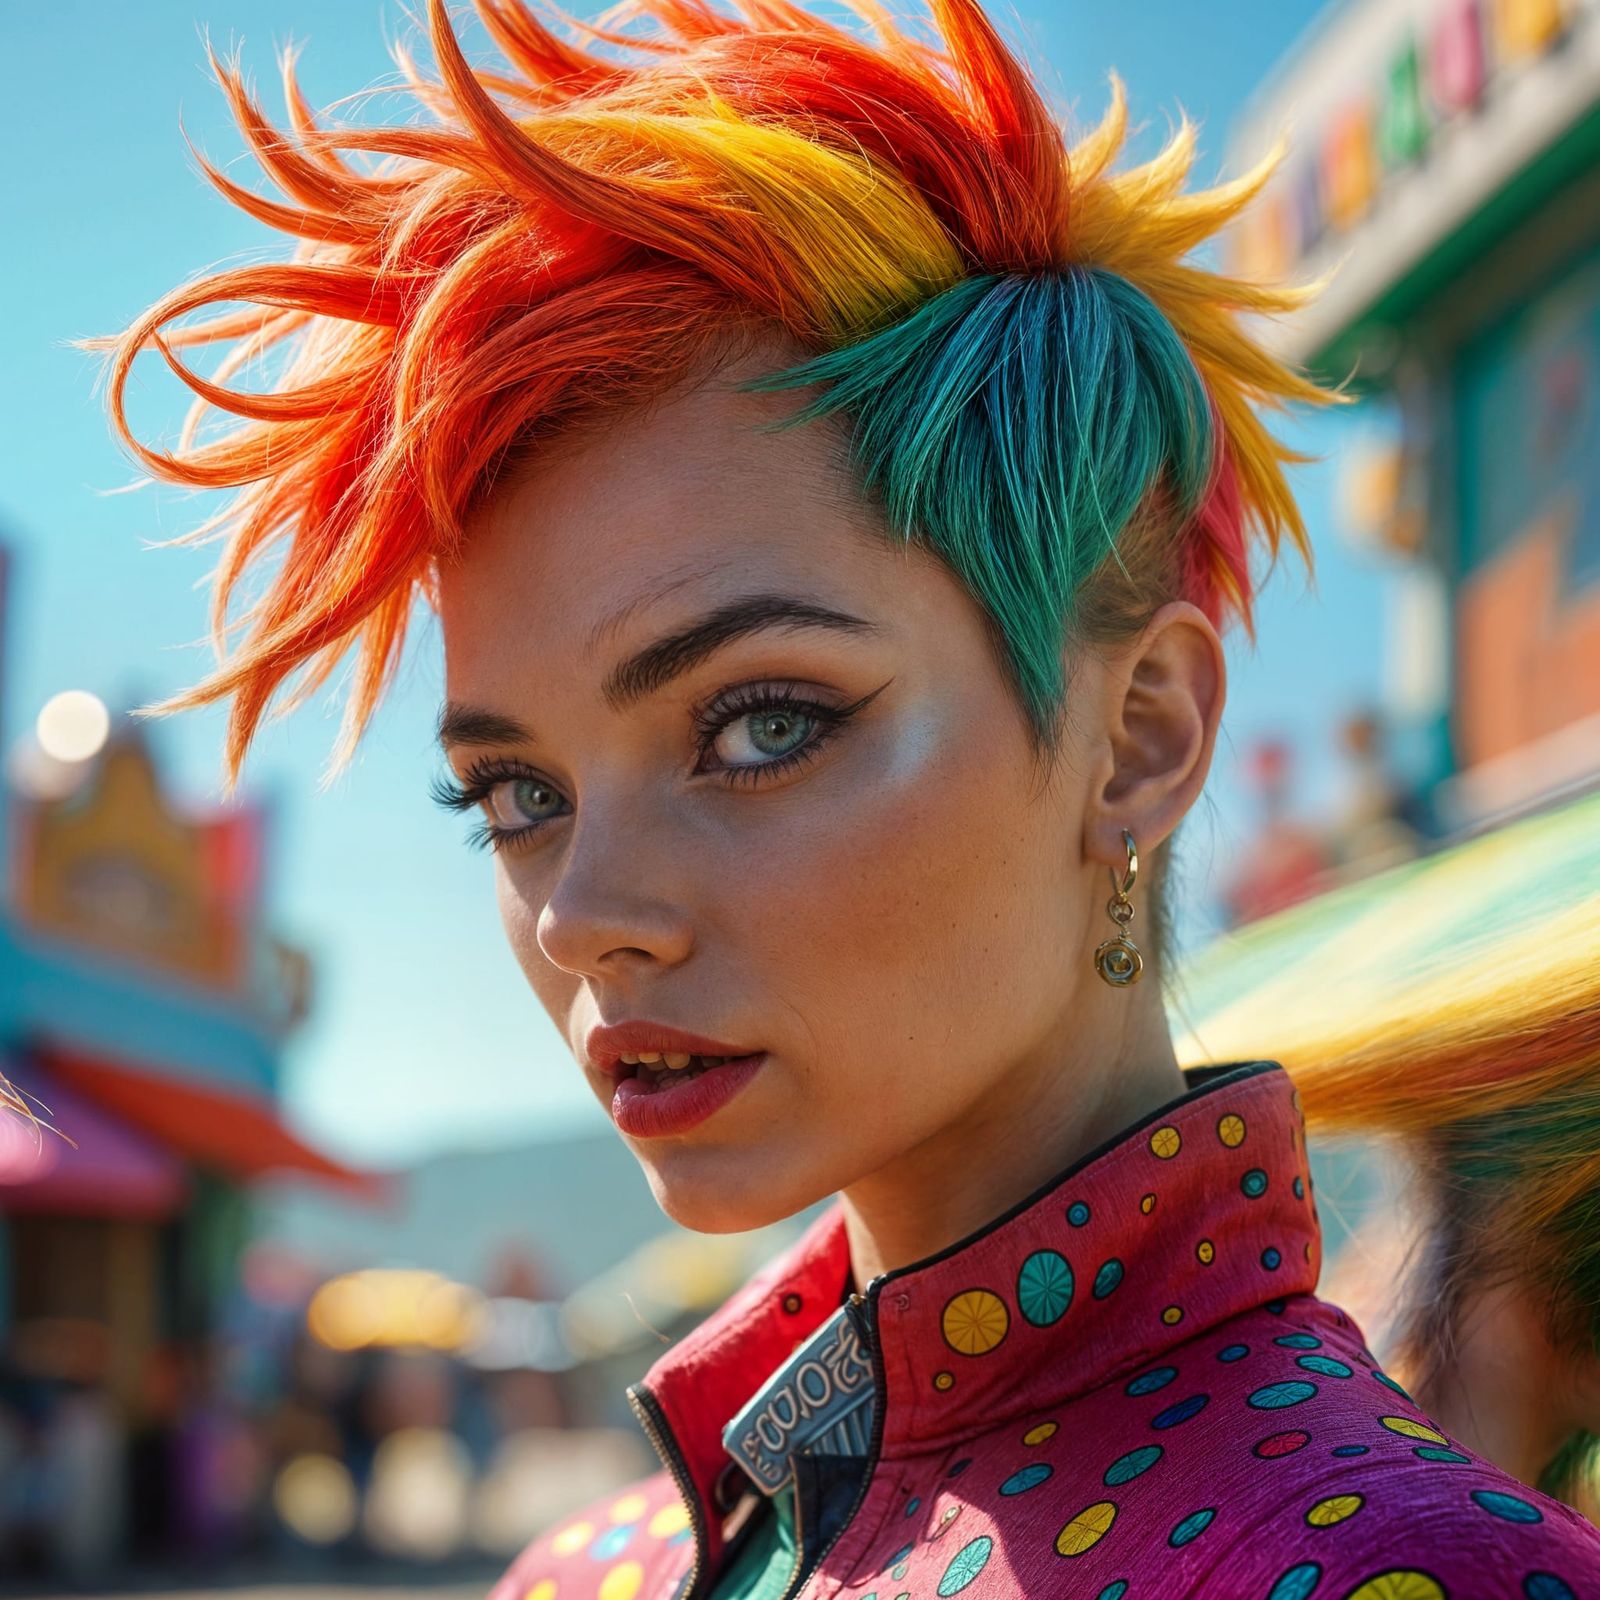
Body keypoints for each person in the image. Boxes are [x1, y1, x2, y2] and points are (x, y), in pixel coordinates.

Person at [92, 0, 1600, 1593]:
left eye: (757, 728)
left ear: (1139, 734)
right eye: (515, 791)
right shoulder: (590, 1570)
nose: (582, 911)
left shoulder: (1407, 1570)